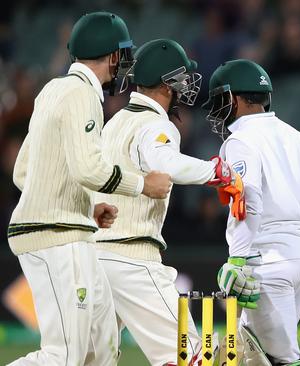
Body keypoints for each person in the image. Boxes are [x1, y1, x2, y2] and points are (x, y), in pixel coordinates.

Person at [7, 12, 172, 365]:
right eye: (123, 55)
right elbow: (89, 168)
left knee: (102, 350)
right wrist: (143, 185)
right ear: (114, 56)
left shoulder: (52, 90)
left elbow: (24, 170)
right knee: (64, 355)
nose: (124, 65)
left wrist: (83, 205)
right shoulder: (83, 93)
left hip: (66, 232)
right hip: (57, 237)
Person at [92, 38, 247, 366]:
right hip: (132, 258)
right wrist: (216, 172)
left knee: (90, 360)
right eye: (181, 78)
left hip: (95, 258)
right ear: (166, 83)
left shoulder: (116, 121)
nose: (186, 86)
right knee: (193, 356)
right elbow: (167, 163)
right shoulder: (155, 124)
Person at [203, 59, 300, 365]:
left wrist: (237, 259)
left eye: (220, 100)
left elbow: (247, 199)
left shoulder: (239, 140)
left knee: (279, 358)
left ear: (233, 99)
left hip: (265, 264)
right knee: (244, 356)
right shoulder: (296, 137)